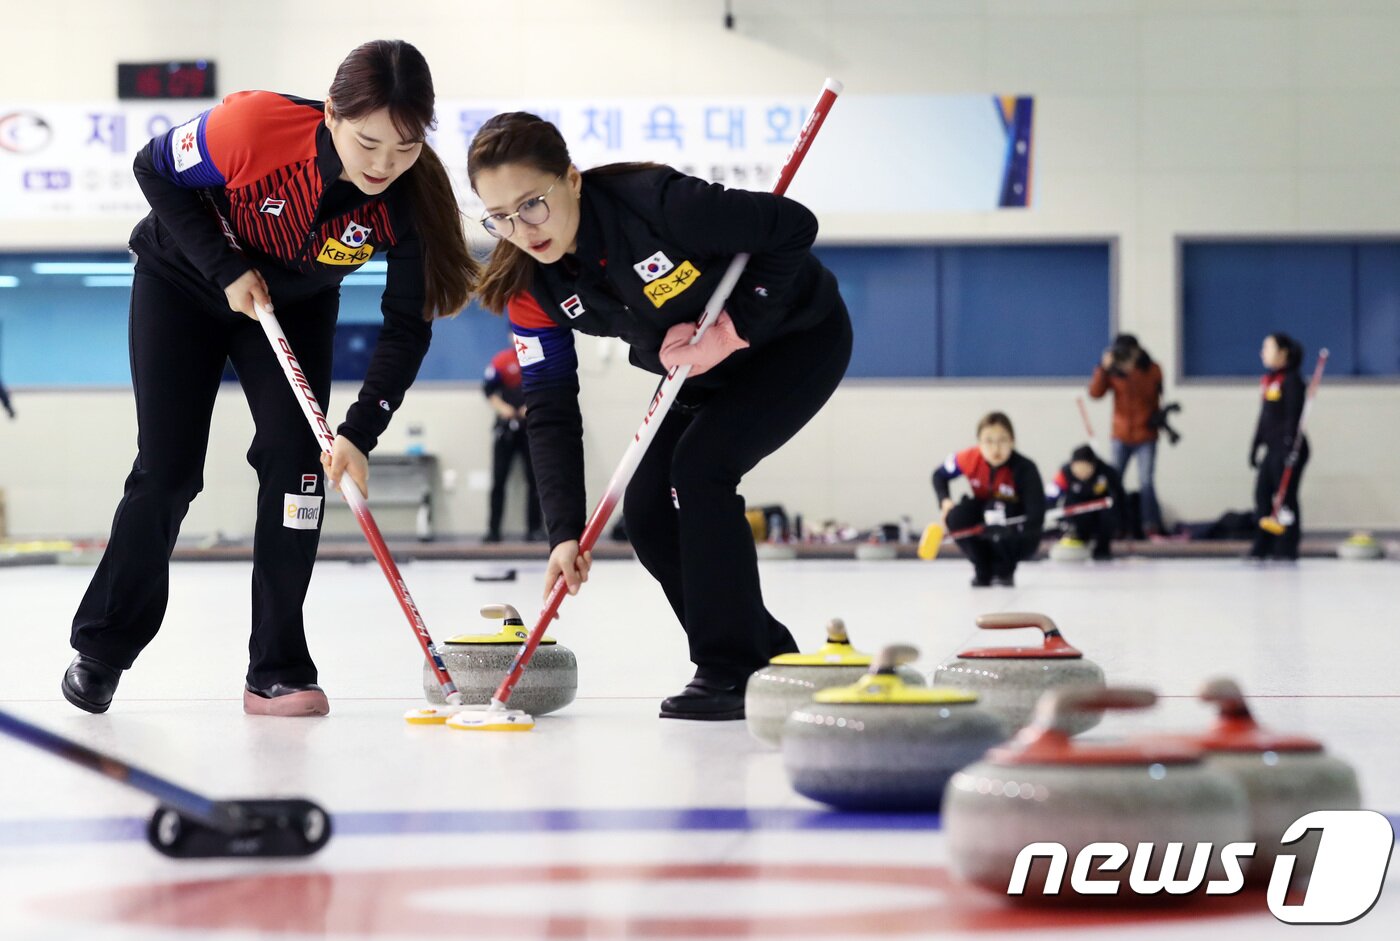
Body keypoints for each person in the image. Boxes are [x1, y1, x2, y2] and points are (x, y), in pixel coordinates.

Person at [63, 40, 476, 717]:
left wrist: (358, 434)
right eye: (368, 143)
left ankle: (276, 669)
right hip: (182, 281)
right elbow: (152, 167)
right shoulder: (254, 127)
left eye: (404, 148)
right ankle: (103, 648)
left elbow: (407, 326)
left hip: (296, 307)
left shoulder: (411, 200)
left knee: (299, 471)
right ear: (333, 113)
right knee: (168, 470)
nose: (383, 165)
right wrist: (225, 270)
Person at [467, 112, 852, 721]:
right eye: (500, 217)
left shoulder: (660, 205)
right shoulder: (529, 288)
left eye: (532, 204)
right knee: (646, 511)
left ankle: (729, 669)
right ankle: (765, 652)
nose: (522, 229)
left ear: (572, 179)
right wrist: (564, 531)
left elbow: (793, 226)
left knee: (700, 469)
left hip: (797, 340)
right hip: (697, 371)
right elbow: (550, 408)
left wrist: (736, 326)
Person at [933, 412, 1045, 587]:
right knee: (956, 516)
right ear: (979, 443)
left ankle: (1004, 569)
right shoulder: (968, 458)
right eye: (988, 441)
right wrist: (945, 501)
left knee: (995, 509)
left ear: (1012, 441)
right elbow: (939, 475)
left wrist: (1010, 529)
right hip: (982, 515)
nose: (996, 448)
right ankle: (982, 568)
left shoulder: (1025, 469)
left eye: (1002, 440)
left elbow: (1036, 515)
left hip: (1014, 528)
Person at [1088, 333, 1164, 536]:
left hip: (1146, 434)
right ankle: (1114, 525)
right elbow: (1095, 393)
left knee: (1146, 481)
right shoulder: (1113, 371)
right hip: (1120, 434)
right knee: (1114, 480)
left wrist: (1133, 371)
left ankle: (1151, 525)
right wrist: (1103, 368)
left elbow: (1152, 394)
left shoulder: (1151, 369)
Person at [1248, 332, 1308, 561]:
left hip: (1289, 447)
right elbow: (1265, 417)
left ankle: (1287, 546)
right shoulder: (1270, 380)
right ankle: (1262, 544)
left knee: (1285, 498)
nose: (1262, 352)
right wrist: (1255, 445)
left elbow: (1293, 417)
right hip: (1272, 447)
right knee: (1262, 494)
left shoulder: (1292, 381)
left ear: (1283, 353)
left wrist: (1289, 446)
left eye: (1268, 348)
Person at [482, 345, 543, 542]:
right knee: (498, 480)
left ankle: (534, 529)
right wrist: (503, 408)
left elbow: (546, 388)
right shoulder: (502, 360)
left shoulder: (537, 359)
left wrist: (531, 407)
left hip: (530, 428)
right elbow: (488, 390)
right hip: (505, 428)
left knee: (535, 481)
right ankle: (493, 530)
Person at [1046, 444, 1124, 560]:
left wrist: (1122, 524)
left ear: (1093, 465)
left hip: (1100, 515)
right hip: (1076, 514)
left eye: (1085, 468)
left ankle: (1102, 549)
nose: (1081, 472)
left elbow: (1120, 498)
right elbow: (1051, 496)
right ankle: (1076, 537)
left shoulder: (1107, 473)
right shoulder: (1064, 473)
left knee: (1108, 515)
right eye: (1077, 468)